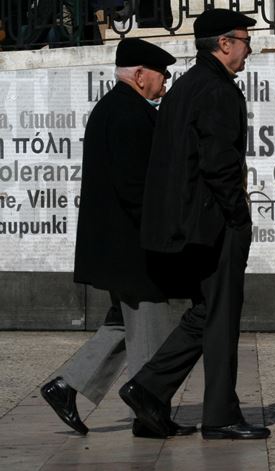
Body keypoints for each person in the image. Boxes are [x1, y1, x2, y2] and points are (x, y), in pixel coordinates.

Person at [119, 8, 270, 440]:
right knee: (221, 317)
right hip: (213, 223)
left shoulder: (186, 86)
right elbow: (219, 163)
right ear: (224, 44)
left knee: (207, 312)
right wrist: (239, 218)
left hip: (188, 223)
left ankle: (148, 388)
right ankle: (220, 415)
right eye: (244, 40)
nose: (248, 49)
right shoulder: (217, 89)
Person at [40, 38, 196, 439]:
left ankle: (65, 386)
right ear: (141, 75)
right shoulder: (128, 114)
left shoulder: (116, 108)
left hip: (117, 247)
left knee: (121, 326)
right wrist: (167, 235)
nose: (166, 82)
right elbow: (135, 187)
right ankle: (149, 412)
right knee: (150, 330)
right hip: (132, 248)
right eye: (162, 75)